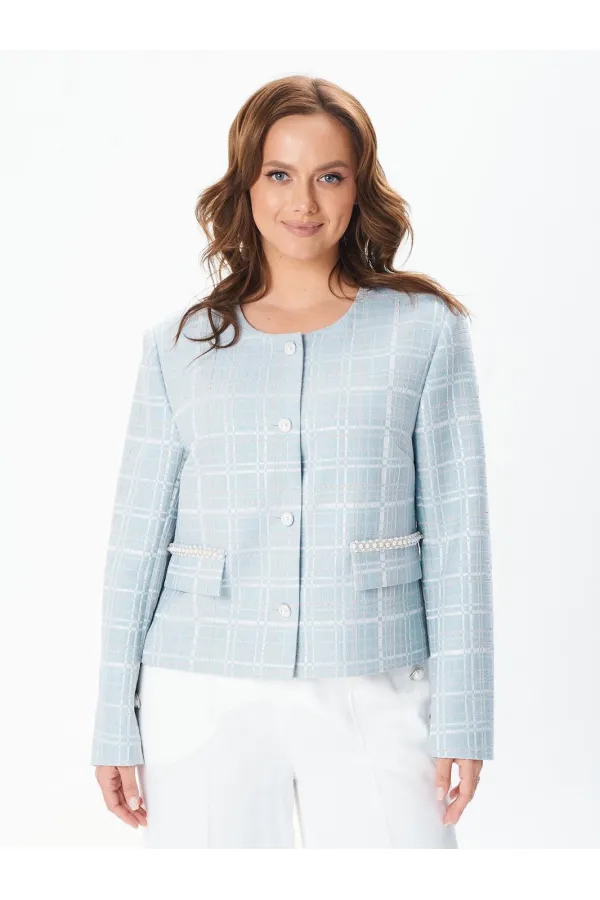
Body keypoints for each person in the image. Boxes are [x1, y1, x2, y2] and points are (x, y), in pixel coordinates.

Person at [91, 74, 494, 849]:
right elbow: (136, 540)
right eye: (279, 174)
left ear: (358, 188)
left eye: (329, 176)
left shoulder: (424, 330)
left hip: (374, 677)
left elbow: (459, 531)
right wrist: (115, 716)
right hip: (201, 685)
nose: (302, 201)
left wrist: (466, 714)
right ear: (246, 184)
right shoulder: (179, 344)